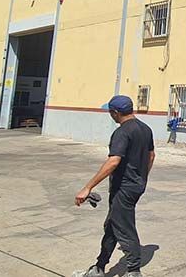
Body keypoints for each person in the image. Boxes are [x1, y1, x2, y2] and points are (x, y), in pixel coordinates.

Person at [72, 95, 155, 277]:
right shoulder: (145, 129)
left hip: (123, 188)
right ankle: (99, 268)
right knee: (112, 226)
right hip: (135, 186)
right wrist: (142, 177)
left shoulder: (122, 132)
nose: (110, 115)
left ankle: (133, 271)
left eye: (110, 112)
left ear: (115, 113)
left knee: (124, 228)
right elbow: (151, 156)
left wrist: (88, 187)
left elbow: (113, 161)